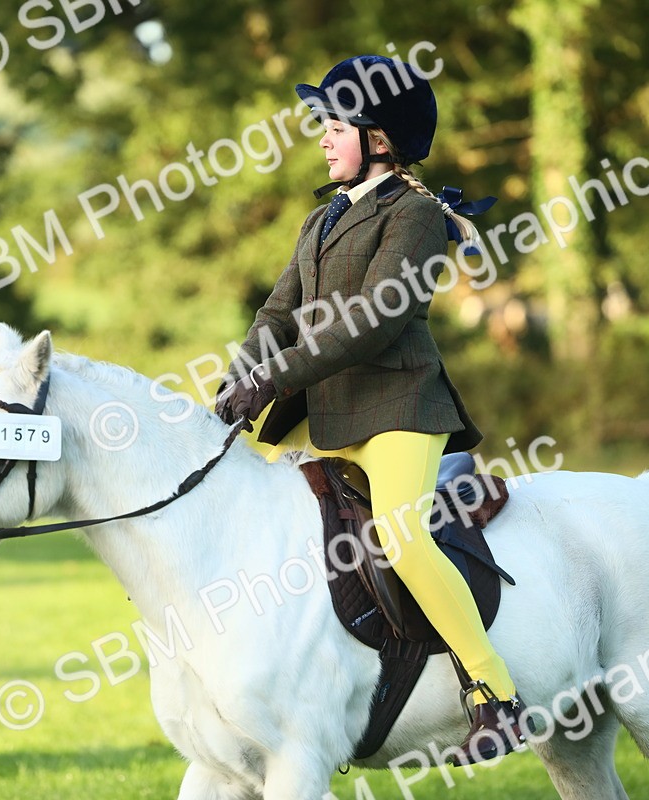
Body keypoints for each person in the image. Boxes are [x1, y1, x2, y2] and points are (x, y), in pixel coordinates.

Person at [215, 55, 523, 762]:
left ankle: (492, 690)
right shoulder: (321, 217)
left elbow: (368, 322)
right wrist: (238, 380)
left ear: (379, 139)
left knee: (403, 534)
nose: (323, 137)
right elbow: (278, 311)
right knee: (229, 493)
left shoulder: (415, 217)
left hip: (397, 407)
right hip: (323, 409)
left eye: (336, 125)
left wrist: (275, 378)